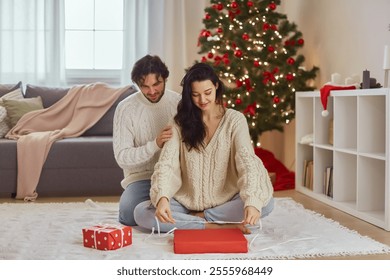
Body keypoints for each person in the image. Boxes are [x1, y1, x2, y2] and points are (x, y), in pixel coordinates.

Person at [134, 62, 274, 234]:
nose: (203, 100)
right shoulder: (178, 123)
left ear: (216, 86)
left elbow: (247, 162)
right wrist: (162, 197)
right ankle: (213, 225)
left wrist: (252, 202)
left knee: (264, 203)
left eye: (207, 93)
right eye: (195, 95)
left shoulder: (235, 120)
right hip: (185, 202)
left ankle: (199, 218)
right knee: (141, 213)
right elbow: (166, 164)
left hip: (227, 200)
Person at [113, 55, 181, 226]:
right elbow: (122, 157)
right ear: (138, 85)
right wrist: (155, 144)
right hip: (142, 178)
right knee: (128, 215)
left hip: (175, 174)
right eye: (145, 86)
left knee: (195, 202)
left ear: (165, 79)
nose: (151, 91)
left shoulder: (179, 102)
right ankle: (160, 209)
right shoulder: (125, 108)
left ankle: (187, 215)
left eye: (156, 84)